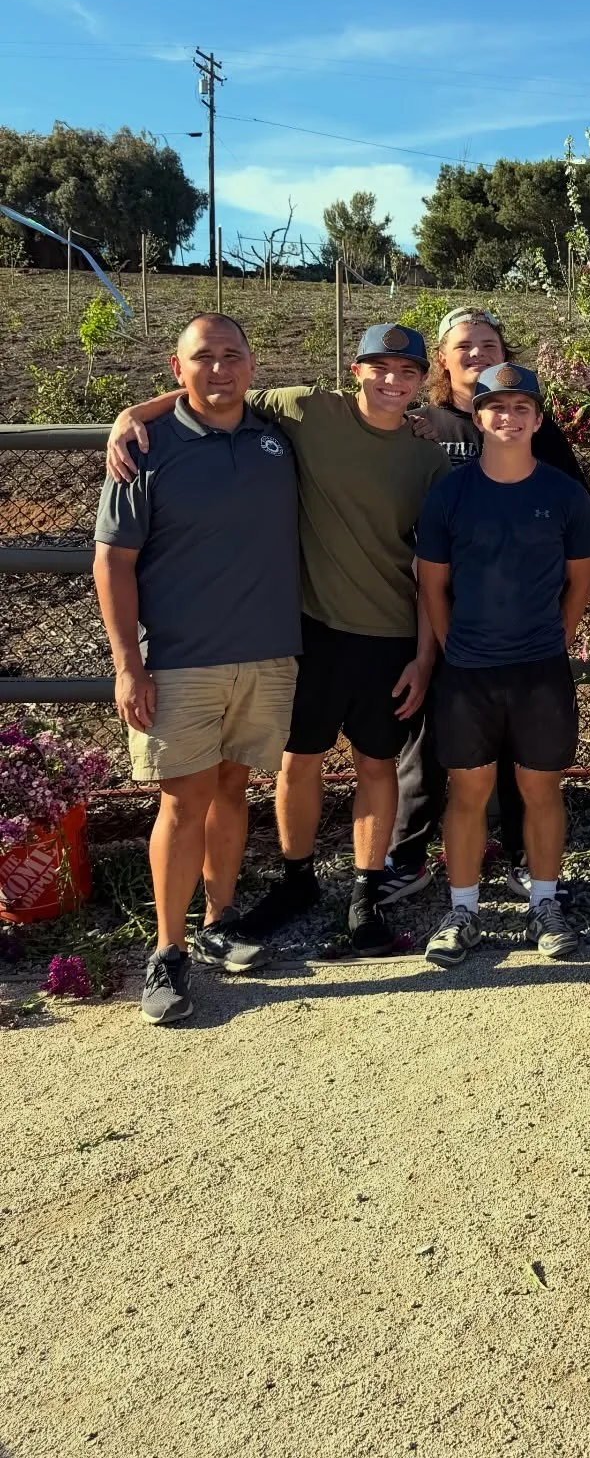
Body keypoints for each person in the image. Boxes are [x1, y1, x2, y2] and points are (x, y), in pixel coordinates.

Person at [105, 323, 451, 956]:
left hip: (390, 636)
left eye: (407, 371)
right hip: (306, 631)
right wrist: (132, 412)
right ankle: (297, 882)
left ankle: (364, 895)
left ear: (423, 381)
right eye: (380, 367)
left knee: (377, 766)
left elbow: (433, 570)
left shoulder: (429, 459)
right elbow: (212, 392)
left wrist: (426, 657)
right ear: (355, 369)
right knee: (299, 760)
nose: (393, 380)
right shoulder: (307, 409)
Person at [93, 314, 301, 1025]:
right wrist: (128, 666)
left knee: (232, 789)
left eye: (231, 355)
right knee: (181, 803)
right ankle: (168, 951)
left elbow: (364, 409)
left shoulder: (278, 436)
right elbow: (112, 562)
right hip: (180, 662)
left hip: (268, 654)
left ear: (253, 363)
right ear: (176, 368)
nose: (219, 369)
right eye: (202, 358)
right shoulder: (143, 449)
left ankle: (219, 920)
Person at [380, 306, 588, 908]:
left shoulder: (537, 429)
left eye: (488, 343)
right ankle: (412, 857)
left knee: (527, 753)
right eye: (463, 345)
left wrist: (557, 628)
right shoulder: (422, 422)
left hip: (524, 622)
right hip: (436, 608)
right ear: (441, 361)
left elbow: (572, 527)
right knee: (426, 741)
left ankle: (527, 861)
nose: (476, 353)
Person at [416, 362, 590, 965]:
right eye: (497, 407)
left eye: (522, 408)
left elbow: (579, 583)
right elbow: (433, 588)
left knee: (541, 790)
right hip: (468, 673)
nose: (509, 418)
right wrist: (455, 648)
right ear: (478, 415)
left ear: (537, 419)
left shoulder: (564, 495)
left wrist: (552, 641)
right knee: (468, 793)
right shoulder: (450, 493)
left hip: (540, 670)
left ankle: (544, 904)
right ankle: (463, 910)